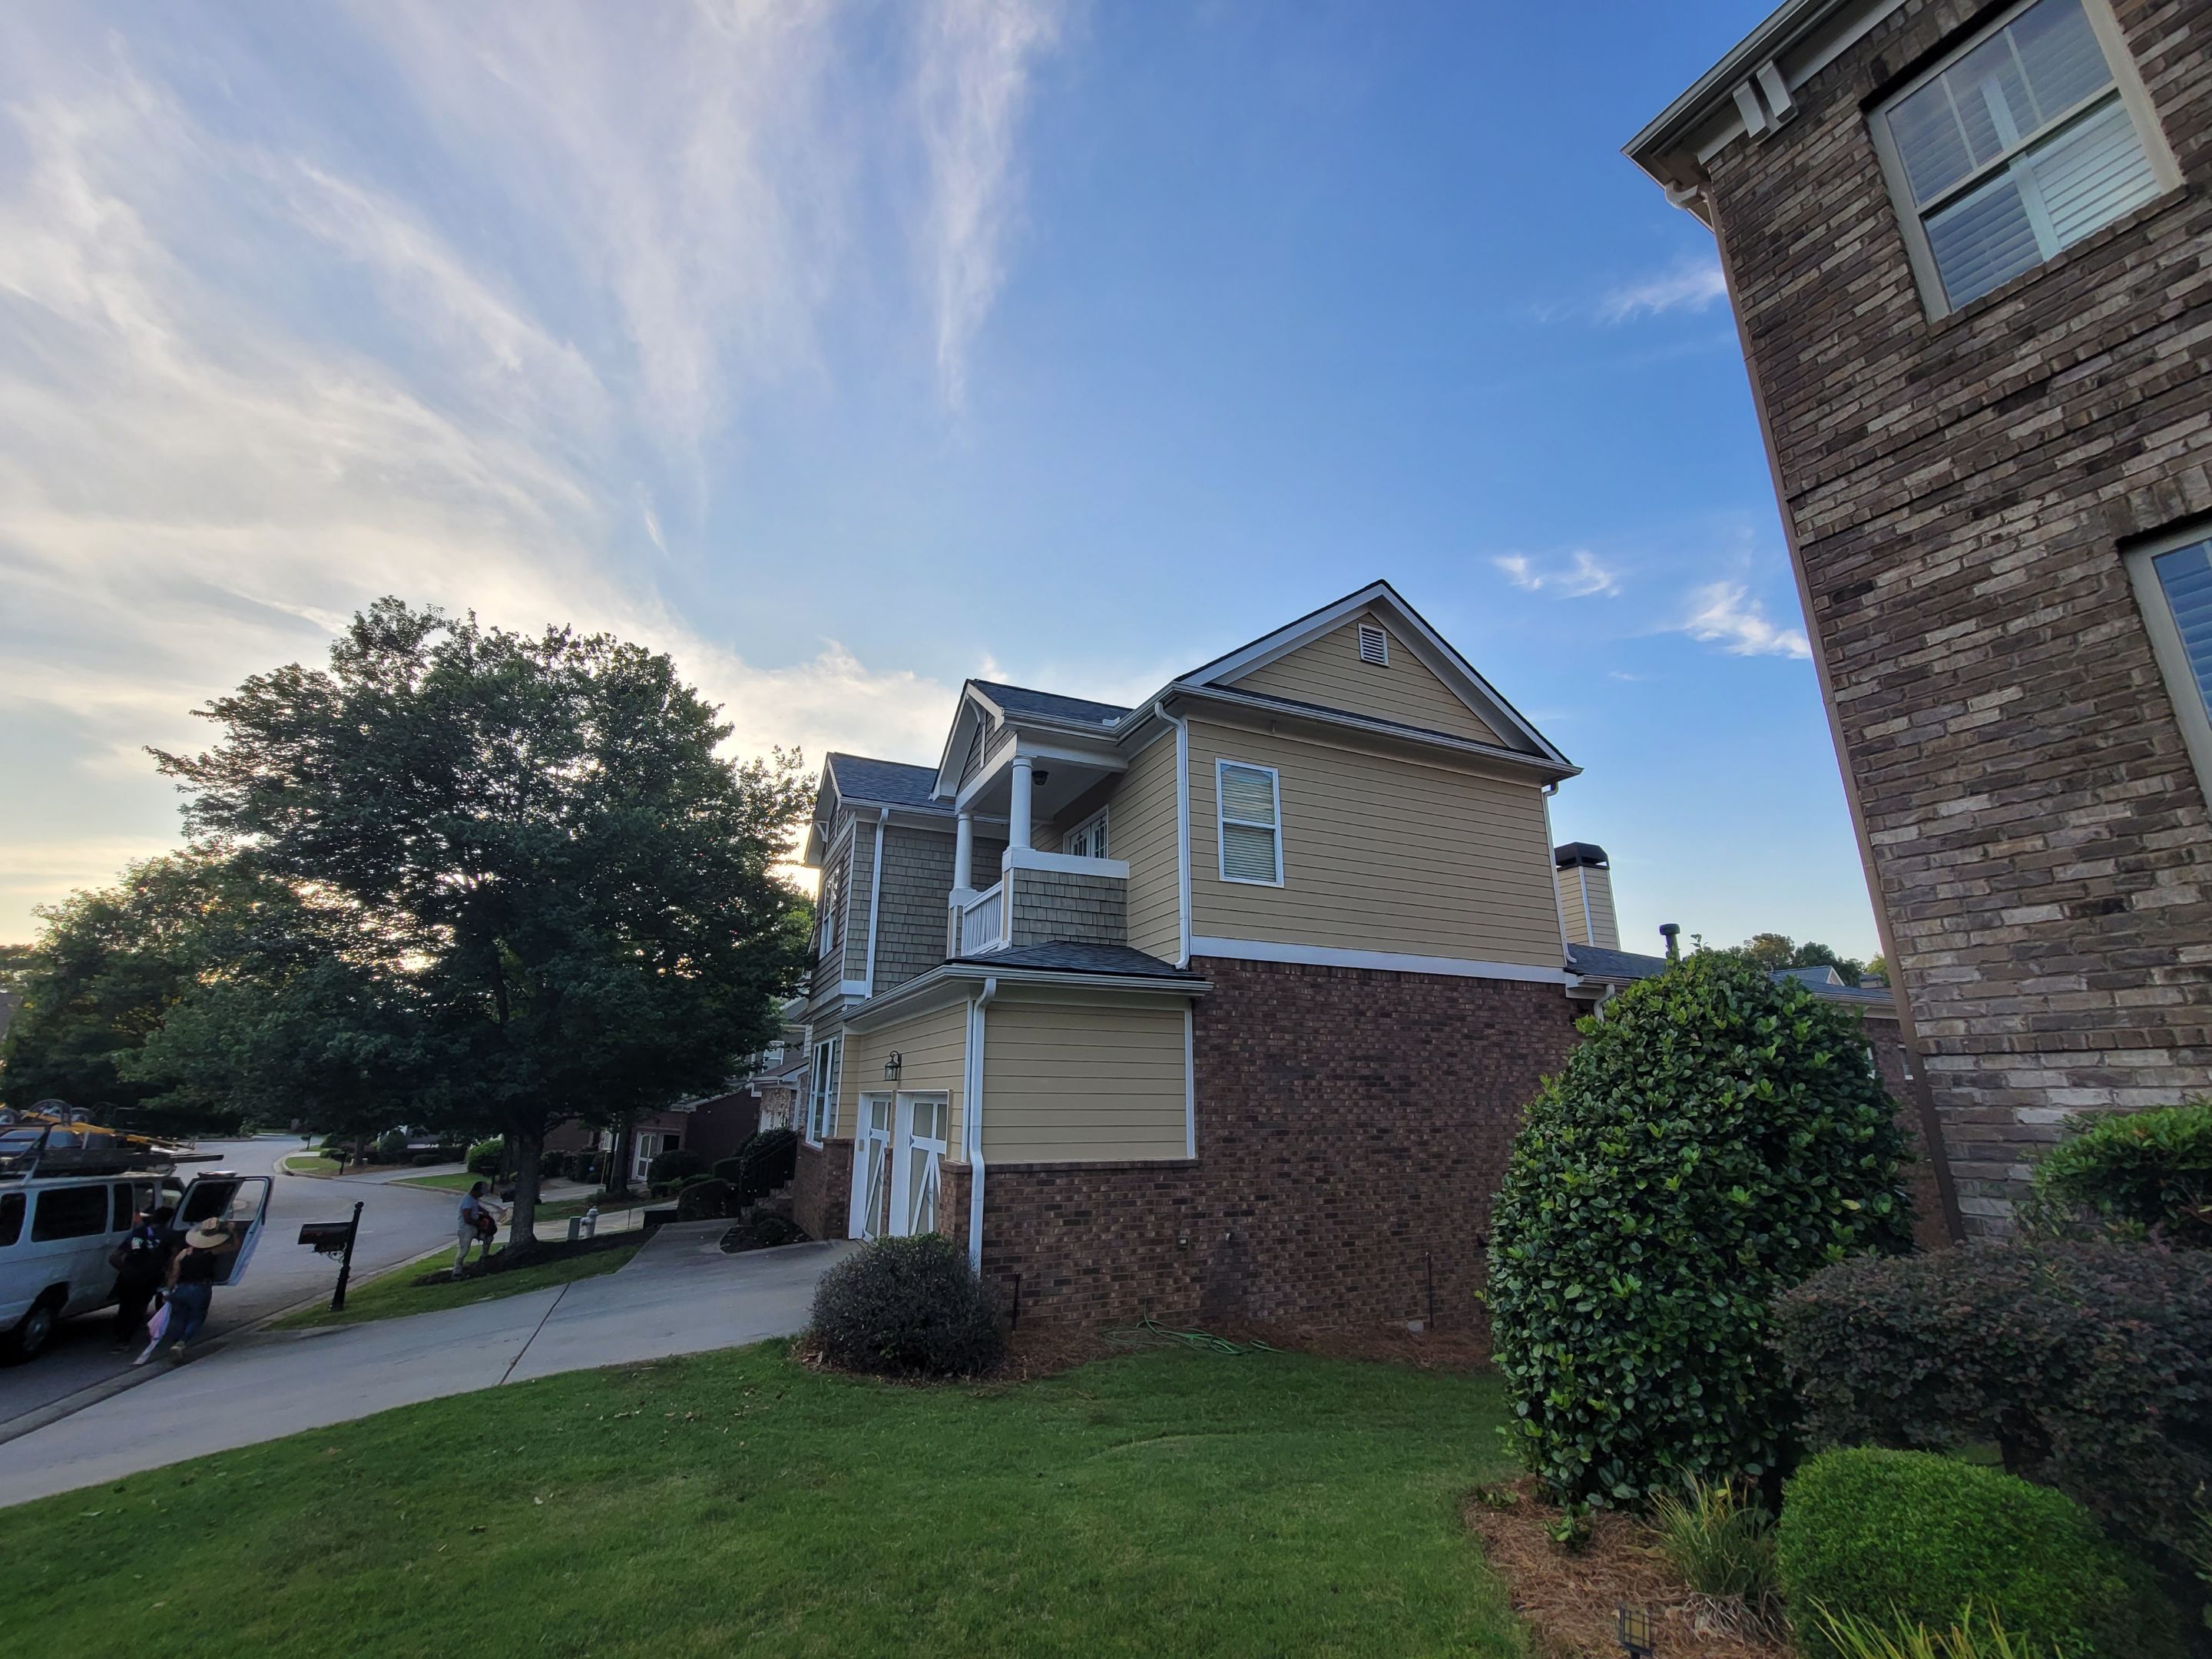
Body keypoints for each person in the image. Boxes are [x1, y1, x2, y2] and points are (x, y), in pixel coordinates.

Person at [135, 1219, 227, 1365]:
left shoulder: (183, 1254)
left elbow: (174, 1275)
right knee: (197, 1317)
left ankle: (175, 1343)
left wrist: (167, 1291)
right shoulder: (212, 1252)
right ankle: (181, 1343)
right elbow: (235, 1246)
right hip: (200, 1288)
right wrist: (232, 1232)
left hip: (181, 1288)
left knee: (178, 1317)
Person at [109, 1204, 176, 1350]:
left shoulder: (138, 1233)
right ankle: (124, 1340)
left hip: (127, 1277)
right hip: (148, 1278)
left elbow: (114, 1258)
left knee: (125, 1307)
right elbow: (172, 1260)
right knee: (138, 1308)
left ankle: (120, 1337)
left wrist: (127, 1270)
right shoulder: (169, 1235)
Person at [455, 1181, 503, 1273]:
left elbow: (476, 1206)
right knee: (464, 1251)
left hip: (475, 1227)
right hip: (466, 1229)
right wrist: (480, 1223)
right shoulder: (467, 1200)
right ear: (476, 1191)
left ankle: (484, 1257)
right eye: (481, 1193)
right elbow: (467, 1218)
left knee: (488, 1238)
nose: (481, 1196)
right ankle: (457, 1270)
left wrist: (484, 1211)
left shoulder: (474, 1198)